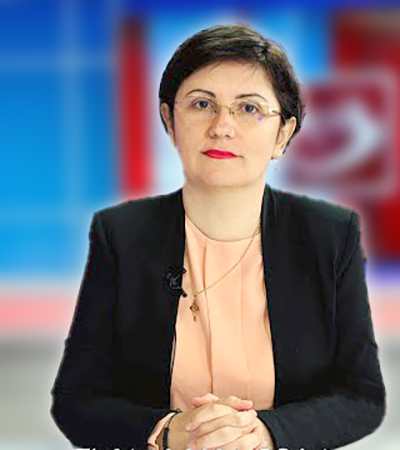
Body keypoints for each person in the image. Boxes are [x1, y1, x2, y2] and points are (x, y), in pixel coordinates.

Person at [50, 24, 386, 450]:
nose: (222, 126)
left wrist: (265, 433)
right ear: (170, 120)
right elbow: (76, 401)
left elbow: (361, 397)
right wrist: (171, 431)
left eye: (248, 108)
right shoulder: (121, 234)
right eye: (202, 104)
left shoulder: (330, 234)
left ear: (283, 134)